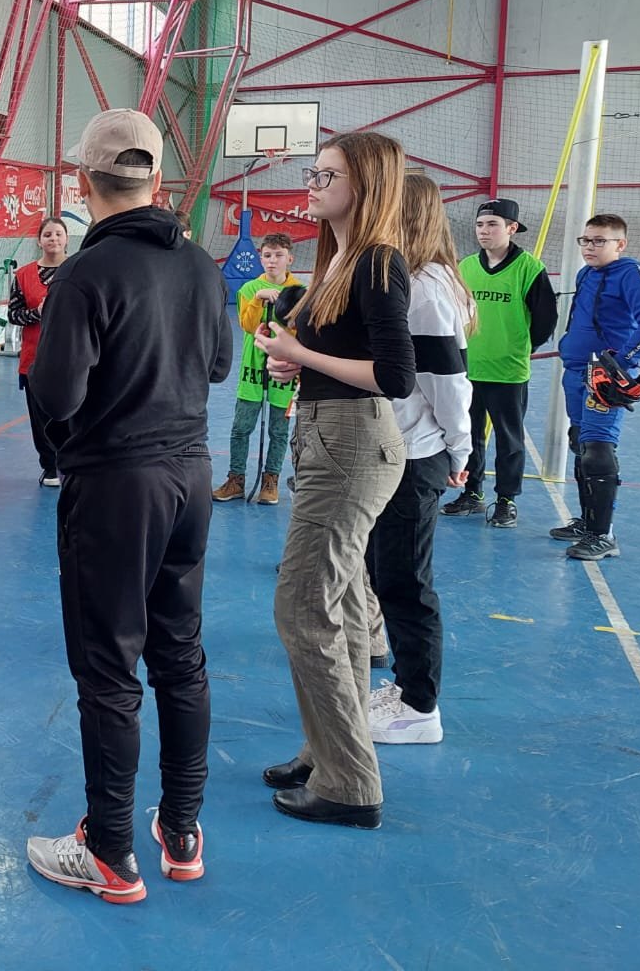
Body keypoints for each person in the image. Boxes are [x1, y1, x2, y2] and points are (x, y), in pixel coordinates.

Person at [25, 109, 230, 903]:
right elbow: (218, 365)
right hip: (191, 478)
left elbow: (55, 394)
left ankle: (110, 849)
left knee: (109, 666)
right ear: (157, 180)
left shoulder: (84, 275)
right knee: (180, 652)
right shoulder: (202, 266)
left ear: (83, 181)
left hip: (116, 486)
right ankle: (181, 829)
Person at [253, 132, 415, 830]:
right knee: (340, 606)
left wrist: (301, 353)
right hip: (326, 434)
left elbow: (395, 374)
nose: (312, 185)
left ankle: (349, 782)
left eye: (327, 176)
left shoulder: (377, 261)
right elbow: (338, 353)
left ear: (365, 185)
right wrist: (296, 359)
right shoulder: (338, 259)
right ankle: (329, 752)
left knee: (302, 606)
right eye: (313, 173)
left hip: (350, 443)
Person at [365, 175, 474, 746]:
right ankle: (407, 685)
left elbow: (447, 382)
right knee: (386, 575)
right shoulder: (408, 279)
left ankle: (420, 707)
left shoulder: (427, 289)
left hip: (417, 453)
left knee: (406, 582)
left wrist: (461, 447)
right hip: (400, 448)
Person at [552, 213, 640, 560]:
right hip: (576, 372)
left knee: (598, 448)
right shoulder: (586, 274)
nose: (589, 247)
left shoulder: (631, 273)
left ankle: (603, 535)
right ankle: (587, 523)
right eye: (586, 240)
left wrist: (621, 363)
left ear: (620, 244)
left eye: (599, 240)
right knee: (580, 442)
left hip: (604, 379)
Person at [441, 199, 556, 528]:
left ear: (512, 228)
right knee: (469, 434)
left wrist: (520, 348)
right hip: (468, 368)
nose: (483, 231)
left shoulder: (529, 269)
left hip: (508, 372)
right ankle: (472, 493)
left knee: (509, 440)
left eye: (492, 224)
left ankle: (506, 499)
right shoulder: (465, 267)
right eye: (480, 224)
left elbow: (545, 320)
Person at [213, 232, 303, 506]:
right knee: (241, 427)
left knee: (279, 430)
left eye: (278, 255)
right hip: (252, 368)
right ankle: (236, 480)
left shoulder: (300, 291)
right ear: (260, 259)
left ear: (290, 259)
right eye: (267, 255)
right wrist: (258, 299)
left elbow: (300, 331)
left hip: (284, 370)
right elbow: (248, 325)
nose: (272, 261)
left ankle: (270, 481)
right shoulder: (249, 289)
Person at [8, 216, 69, 486]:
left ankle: (73, 463)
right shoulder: (23, 275)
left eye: (58, 234)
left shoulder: (79, 270)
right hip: (35, 359)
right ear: (39, 241)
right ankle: (50, 466)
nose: (53, 239)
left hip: (72, 357)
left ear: (66, 239)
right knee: (40, 416)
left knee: (71, 412)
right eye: (48, 235)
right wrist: (37, 313)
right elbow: (13, 314)